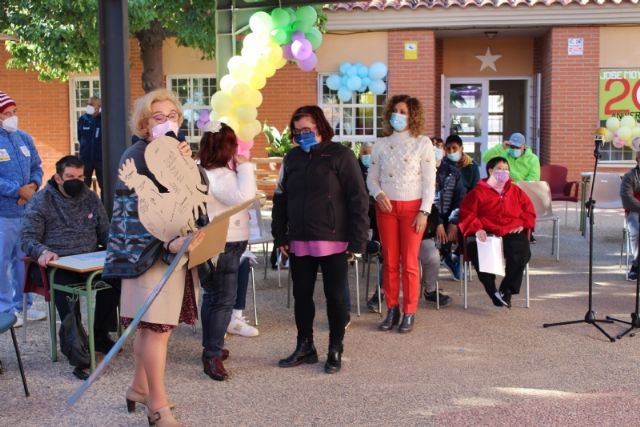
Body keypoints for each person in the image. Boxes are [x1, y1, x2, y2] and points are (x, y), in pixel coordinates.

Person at [102, 88, 204, 427]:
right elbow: (135, 213)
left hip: (177, 252)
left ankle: (139, 387)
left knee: (155, 329)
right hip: (148, 256)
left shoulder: (177, 151)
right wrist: (167, 245)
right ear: (145, 124)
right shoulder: (136, 154)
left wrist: (186, 162)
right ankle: (157, 406)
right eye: (158, 118)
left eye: (172, 116)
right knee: (155, 330)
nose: (166, 122)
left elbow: (197, 193)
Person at [272, 105, 368, 374]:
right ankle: (305, 346)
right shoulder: (291, 159)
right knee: (302, 296)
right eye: (297, 130)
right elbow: (280, 198)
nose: (302, 134)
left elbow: (358, 198)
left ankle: (335, 348)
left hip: (334, 240)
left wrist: (358, 241)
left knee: (335, 297)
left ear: (320, 127)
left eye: (307, 130)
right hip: (299, 240)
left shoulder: (341, 155)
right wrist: (280, 234)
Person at [21, 155, 120, 380]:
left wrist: (117, 250)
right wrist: (43, 252)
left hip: (89, 261)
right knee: (68, 294)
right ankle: (78, 353)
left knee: (117, 278)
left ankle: (100, 334)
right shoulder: (41, 200)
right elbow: (27, 238)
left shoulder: (91, 197)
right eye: (70, 177)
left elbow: (106, 232)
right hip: (54, 264)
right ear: (58, 178)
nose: (76, 181)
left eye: (80, 176)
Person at [367, 94, 436, 333]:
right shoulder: (380, 144)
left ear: (413, 115)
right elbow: (371, 177)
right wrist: (377, 194)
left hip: (412, 209)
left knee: (409, 263)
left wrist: (424, 211)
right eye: (396, 110)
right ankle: (392, 309)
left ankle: (409, 311)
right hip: (386, 208)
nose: (399, 115)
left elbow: (429, 182)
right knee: (389, 262)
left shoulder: (423, 143)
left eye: (404, 111)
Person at [196, 122, 257, 381]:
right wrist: (244, 166)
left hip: (215, 242)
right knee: (222, 300)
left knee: (212, 296)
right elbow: (245, 196)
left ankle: (212, 347)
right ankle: (212, 354)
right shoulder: (219, 174)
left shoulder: (202, 171)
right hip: (225, 243)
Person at [459, 157, 536, 308]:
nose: (504, 172)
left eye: (506, 169)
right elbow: (467, 214)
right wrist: (477, 228)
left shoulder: (515, 191)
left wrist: (523, 223)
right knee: (478, 251)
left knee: (522, 251)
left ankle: (506, 290)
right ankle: (492, 290)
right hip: (487, 231)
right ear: (490, 171)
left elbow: (529, 211)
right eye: (500, 169)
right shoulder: (478, 192)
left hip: (510, 229)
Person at [0, 90, 45, 325]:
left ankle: (23, 306)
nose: (12, 117)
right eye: (6, 113)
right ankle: (5, 310)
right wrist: (17, 190)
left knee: (23, 260)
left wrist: (33, 186)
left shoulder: (24, 138)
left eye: (14, 112)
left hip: (25, 213)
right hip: (3, 215)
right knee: (2, 263)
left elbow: (38, 166)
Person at [418, 138, 466, 306]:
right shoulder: (419, 171)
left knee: (461, 233)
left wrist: (453, 222)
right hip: (426, 222)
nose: (436, 149)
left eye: (439, 146)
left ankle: (449, 257)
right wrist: (437, 223)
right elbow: (430, 201)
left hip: (447, 220)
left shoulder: (453, 172)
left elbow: (460, 199)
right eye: (432, 146)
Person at [620, 150, 640, 281]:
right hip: (635, 211)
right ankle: (636, 265)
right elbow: (626, 197)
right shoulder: (629, 176)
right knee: (636, 230)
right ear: (638, 159)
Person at [78, 97, 103, 192]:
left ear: (99, 107)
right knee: (83, 187)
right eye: (88, 104)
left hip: (101, 160)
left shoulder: (103, 120)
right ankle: (83, 206)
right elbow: (80, 137)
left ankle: (104, 206)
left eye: (91, 104)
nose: (89, 106)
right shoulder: (83, 119)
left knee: (104, 186)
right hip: (85, 159)